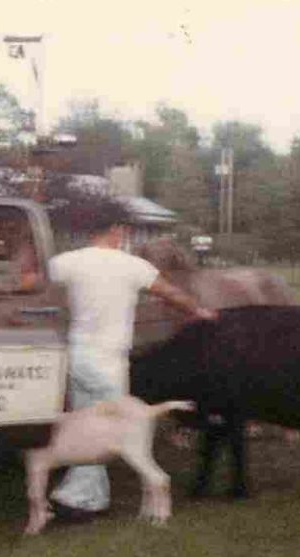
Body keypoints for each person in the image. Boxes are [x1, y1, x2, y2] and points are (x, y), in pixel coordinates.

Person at [47, 205, 217, 519]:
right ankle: (84, 500)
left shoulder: (66, 262)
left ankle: (82, 493)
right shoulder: (133, 266)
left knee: (85, 424)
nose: (124, 234)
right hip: (109, 360)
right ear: (115, 230)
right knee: (109, 430)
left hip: (78, 356)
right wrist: (201, 311)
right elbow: (171, 294)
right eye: (123, 230)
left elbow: (35, 282)